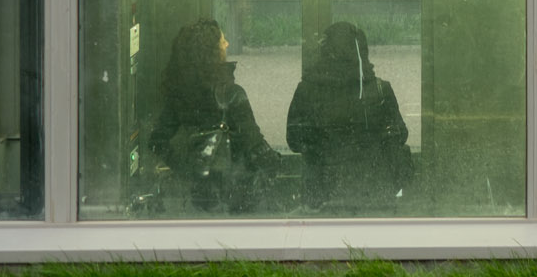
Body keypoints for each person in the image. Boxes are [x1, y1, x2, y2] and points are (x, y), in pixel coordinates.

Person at [148, 19, 279, 213]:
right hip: (237, 197)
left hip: (197, 197)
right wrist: (277, 164)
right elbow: (255, 146)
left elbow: (157, 141)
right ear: (211, 52)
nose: (227, 44)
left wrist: (187, 169)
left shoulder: (180, 95)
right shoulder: (232, 93)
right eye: (222, 41)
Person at [285, 21, 412, 214]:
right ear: (361, 53)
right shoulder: (380, 90)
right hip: (373, 190)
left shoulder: (307, 90)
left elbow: (294, 139)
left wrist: (323, 145)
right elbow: (400, 134)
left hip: (321, 191)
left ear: (326, 52)